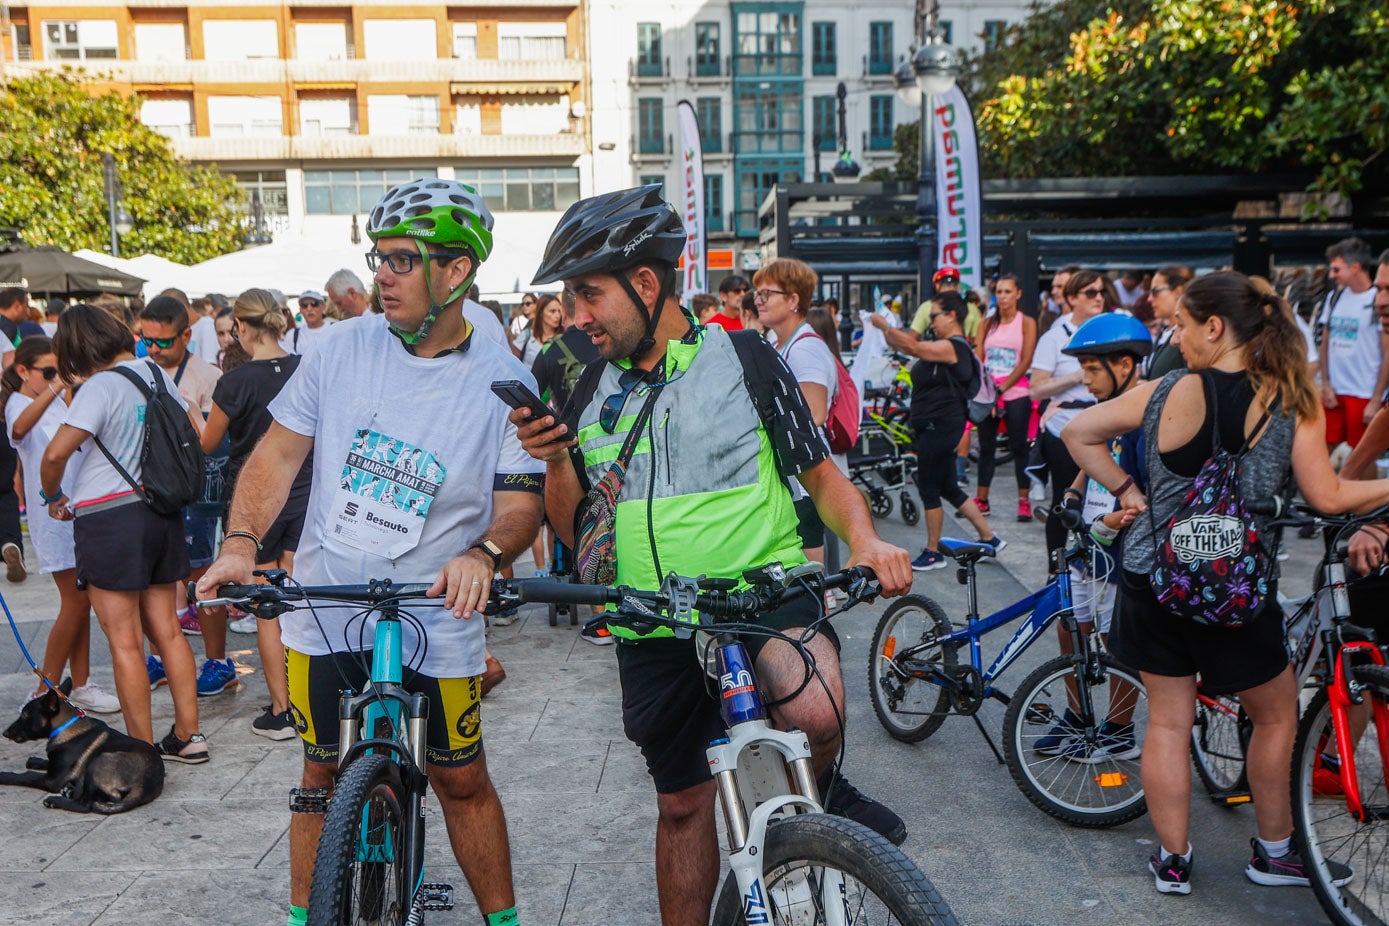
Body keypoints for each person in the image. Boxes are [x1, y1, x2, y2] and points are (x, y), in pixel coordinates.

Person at [512, 185, 914, 926]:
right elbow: (573, 534)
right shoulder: (566, 370)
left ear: (644, 282)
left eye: (587, 294)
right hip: (650, 615)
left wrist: (865, 539)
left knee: (818, 715)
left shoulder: (746, 354)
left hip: (763, 593)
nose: (574, 316)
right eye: (568, 299)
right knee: (682, 803)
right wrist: (556, 460)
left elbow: (821, 474)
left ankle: (813, 810)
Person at [196, 179, 541, 926]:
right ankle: (306, 917)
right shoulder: (337, 348)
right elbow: (277, 455)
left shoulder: (504, 372)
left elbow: (521, 502)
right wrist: (239, 544)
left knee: (461, 779)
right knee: (319, 773)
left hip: (438, 607)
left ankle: (503, 921)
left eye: (400, 260)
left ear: (455, 272)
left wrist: (484, 553)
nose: (380, 274)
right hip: (328, 602)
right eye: (376, 257)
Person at [1063, 270, 1389, 896]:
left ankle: (1174, 861)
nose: (1176, 338)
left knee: (1166, 721)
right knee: (1273, 717)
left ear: (1215, 327)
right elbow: (1327, 495)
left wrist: (1129, 491)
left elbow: (1078, 431)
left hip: (1154, 577)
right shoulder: (1291, 398)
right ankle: (1273, 853)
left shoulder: (1162, 391)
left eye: (1182, 326)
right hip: (1238, 589)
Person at [39, 304, 206, 761]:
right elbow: (193, 428)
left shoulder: (99, 387)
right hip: (160, 513)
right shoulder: (154, 373)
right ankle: (189, 736)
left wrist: (51, 496)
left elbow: (55, 455)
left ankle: (140, 750)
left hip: (110, 520)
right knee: (168, 631)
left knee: (125, 640)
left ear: (74, 349)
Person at [1032, 314, 1151, 756]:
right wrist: (1073, 490)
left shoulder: (1145, 415)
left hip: (1121, 546)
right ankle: (1077, 717)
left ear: (1124, 364)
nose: (1084, 379)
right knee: (1070, 628)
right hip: (1090, 539)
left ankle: (1119, 732)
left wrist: (1117, 519)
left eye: (1092, 369)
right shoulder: (1106, 408)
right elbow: (1093, 451)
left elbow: (1150, 493)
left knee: (1116, 641)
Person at [199, 288, 312, 739]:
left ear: (241, 328)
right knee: (301, 597)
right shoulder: (306, 368)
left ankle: (283, 710)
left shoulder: (235, 382)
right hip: (307, 492)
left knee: (269, 607)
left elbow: (208, 444)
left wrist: (190, 415)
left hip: (258, 502)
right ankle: (310, 702)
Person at [5, 337, 120, 713]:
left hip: (80, 507)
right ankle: (44, 688)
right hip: (51, 514)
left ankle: (82, 682)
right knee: (75, 601)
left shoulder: (61, 400)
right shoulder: (18, 403)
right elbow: (20, 431)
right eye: (48, 370)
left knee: (80, 600)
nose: (57, 377)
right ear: (23, 371)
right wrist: (59, 384)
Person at [138, 296, 233, 697]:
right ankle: (159, 657)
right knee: (152, 577)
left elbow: (217, 445)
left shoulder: (209, 376)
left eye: (163, 342)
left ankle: (217, 660)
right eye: (147, 340)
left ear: (187, 335)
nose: (154, 349)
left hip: (199, 495)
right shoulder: (137, 371)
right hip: (151, 491)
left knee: (201, 580)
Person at [870, 292, 1005, 570]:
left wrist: (885, 325)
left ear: (951, 315)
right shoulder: (944, 345)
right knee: (948, 487)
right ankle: (989, 538)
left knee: (929, 487)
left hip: (940, 425)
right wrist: (884, 330)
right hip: (937, 424)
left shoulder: (954, 346)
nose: (930, 321)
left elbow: (915, 349)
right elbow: (908, 346)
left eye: (934, 315)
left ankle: (933, 552)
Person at [754, 258, 842, 566]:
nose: (759, 300)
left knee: (810, 579)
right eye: (757, 292)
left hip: (805, 472)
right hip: (794, 473)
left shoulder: (805, 347)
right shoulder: (776, 341)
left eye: (768, 293)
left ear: (794, 300)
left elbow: (814, 413)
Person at [1028, 269, 1110, 551]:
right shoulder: (1054, 337)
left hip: (1104, 424)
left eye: (1101, 291)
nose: (1098, 298)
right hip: (1064, 426)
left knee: (1103, 497)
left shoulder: (1109, 328)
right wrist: (1079, 375)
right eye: (1091, 293)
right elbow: (1035, 389)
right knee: (1065, 497)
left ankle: (1091, 561)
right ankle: (1056, 567)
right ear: (1072, 298)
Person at [973, 274, 1037, 520]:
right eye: (999, 292)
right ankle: (982, 499)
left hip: (1016, 391)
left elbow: (1026, 360)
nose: (1002, 297)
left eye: (1007, 292)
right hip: (988, 392)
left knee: (1019, 446)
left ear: (1018, 294)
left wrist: (1002, 388)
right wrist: (989, 390)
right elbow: (979, 357)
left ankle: (1024, 500)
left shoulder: (1026, 323)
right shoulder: (986, 323)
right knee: (986, 447)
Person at [1317, 237, 1387, 450]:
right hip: (1336, 391)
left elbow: (1387, 352)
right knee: (1322, 447)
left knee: (1362, 454)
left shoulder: (1378, 299)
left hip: (1364, 392)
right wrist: (1326, 384)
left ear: (1355, 267)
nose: (1332, 275)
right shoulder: (1334, 297)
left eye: (1337, 269)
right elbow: (1325, 343)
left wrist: (1376, 399)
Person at [1145, 265, 1192, 379]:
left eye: (1155, 291)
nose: (1149, 299)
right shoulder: (1164, 332)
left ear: (1178, 291)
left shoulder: (1189, 335)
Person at [281, 290, 335, 359]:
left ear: (323, 307)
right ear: (300, 310)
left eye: (314, 304)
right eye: (304, 305)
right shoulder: (292, 335)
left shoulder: (335, 329)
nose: (309, 309)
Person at [514, 293, 561, 368]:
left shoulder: (563, 338)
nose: (558, 315)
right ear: (541, 313)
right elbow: (513, 364)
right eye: (552, 311)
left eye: (559, 311)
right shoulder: (527, 335)